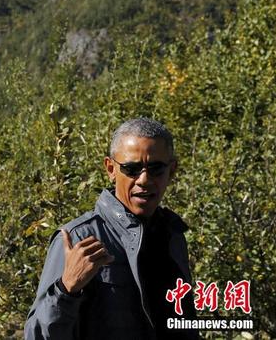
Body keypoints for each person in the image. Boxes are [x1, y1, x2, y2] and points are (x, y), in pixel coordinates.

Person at [24, 117, 198, 339]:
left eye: (156, 169)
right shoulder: (78, 239)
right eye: (131, 168)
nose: (144, 180)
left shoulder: (172, 236)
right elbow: (36, 336)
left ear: (172, 170)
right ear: (110, 168)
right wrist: (65, 289)